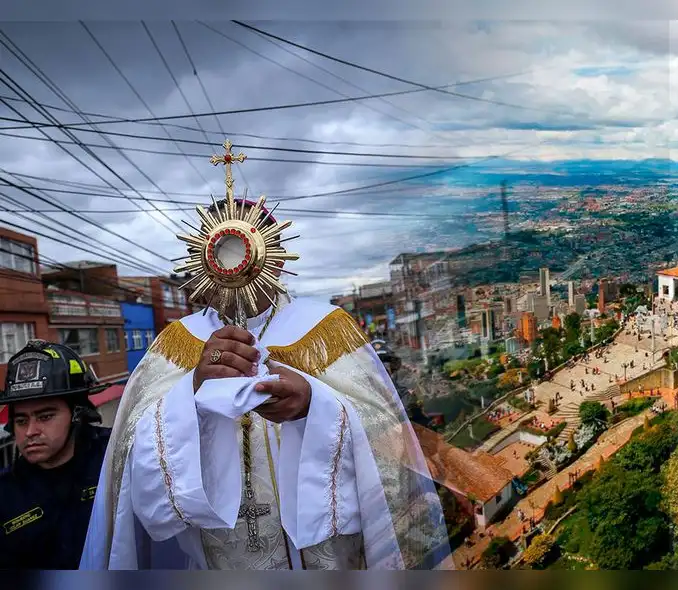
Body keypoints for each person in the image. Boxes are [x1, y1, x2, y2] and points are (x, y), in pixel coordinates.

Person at [81, 197, 450, 570]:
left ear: (275, 252)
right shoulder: (174, 344)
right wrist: (192, 392)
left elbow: (389, 438)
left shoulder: (327, 327)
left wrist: (313, 405)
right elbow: (128, 457)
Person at [0, 340, 111, 570]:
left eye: (45, 416)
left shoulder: (115, 460)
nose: (30, 432)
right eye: (21, 421)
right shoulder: (5, 493)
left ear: (77, 414)